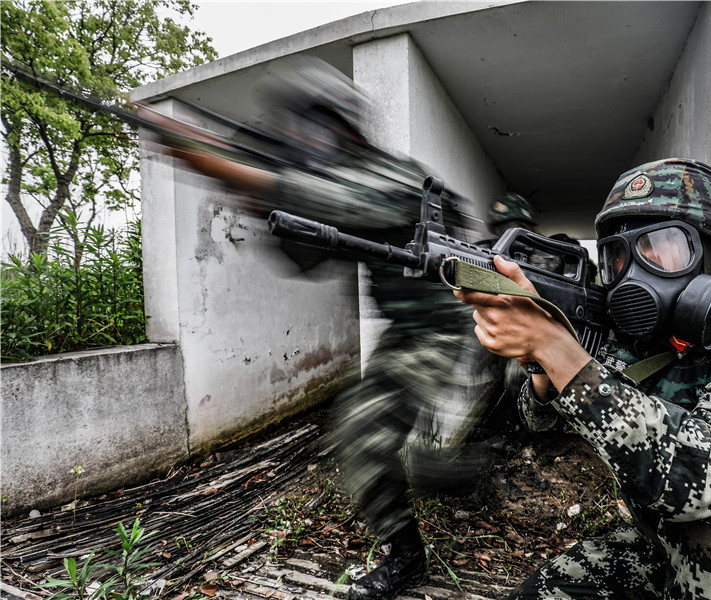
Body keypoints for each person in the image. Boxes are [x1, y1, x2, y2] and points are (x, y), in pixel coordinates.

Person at [138, 58, 482, 600]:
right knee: (375, 434)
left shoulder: (393, 176)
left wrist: (200, 155)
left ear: (340, 128)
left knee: (362, 431)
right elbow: (306, 255)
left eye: (307, 127)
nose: (299, 138)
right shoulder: (343, 174)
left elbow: (325, 200)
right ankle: (435, 474)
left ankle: (410, 553)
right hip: (406, 330)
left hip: (440, 328)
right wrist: (245, 184)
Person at [453, 158, 711, 599]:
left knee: (710, 520)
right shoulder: (633, 340)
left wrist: (557, 348)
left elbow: (694, 479)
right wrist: (541, 361)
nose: (637, 268)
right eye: (619, 254)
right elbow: (544, 423)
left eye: (662, 246)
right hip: (664, 542)